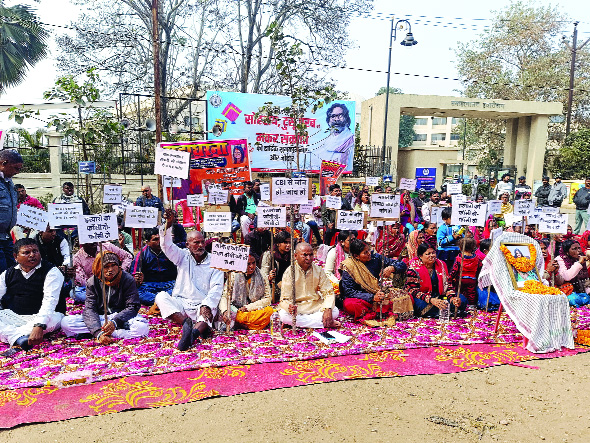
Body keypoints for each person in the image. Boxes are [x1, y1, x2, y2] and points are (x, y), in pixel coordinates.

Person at [154, 210, 224, 351]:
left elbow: (216, 288)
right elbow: (167, 246)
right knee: (160, 297)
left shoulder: (215, 261)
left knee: (211, 309)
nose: (200, 246)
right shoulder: (182, 256)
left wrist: (207, 305)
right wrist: (168, 224)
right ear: (187, 245)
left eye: (202, 242)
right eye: (196, 243)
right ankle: (186, 323)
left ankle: (192, 335)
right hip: (182, 303)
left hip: (201, 304)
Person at [61, 252, 149, 342]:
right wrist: (98, 331)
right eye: (106, 266)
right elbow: (90, 309)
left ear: (119, 266)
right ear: (99, 267)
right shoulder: (92, 282)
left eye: (113, 265)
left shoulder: (127, 279)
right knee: (66, 322)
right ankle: (104, 333)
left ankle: (98, 333)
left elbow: (133, 306)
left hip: (121, 317)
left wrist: (115, 321)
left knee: (142, 328)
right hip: (100, 318)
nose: (110, 270)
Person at [0, 238, 64, 356]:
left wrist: (39, 325)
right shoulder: (8, 273)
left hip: (47, 317)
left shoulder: (52, 272)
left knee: (57, 319)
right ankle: (19, 337)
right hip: (16, 317)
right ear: (15, 256)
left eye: (35, 251)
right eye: (26, 252)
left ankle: (14, 336)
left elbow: (49, 301)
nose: (32, 255)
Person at [340, 238, 408, 322]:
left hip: (378, 294)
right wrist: (372, 297)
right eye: (365, 253)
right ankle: (378, 312)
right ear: (356, 256)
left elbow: (402, 264)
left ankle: (379, 311)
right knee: (350, 305)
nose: (369, 254)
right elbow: (349, 291)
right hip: (361, 298)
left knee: (406, 297)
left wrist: (393, 267)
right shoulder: (349, 266)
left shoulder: (376, 258)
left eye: (369, 250)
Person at [278, 242, 339, 329]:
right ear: (296, 256)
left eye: (311, 255)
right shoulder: (289, 272)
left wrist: (328, 309)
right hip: (298, 308)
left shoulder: (318, 270)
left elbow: (328, 292)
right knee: (283, 315)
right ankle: (323, 324)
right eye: (305, 255)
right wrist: (289, 307)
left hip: (315, 305)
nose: (308, 258)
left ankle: (298, 324)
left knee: (335, 311)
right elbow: (284, 299)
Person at [406, 243, 467, 317]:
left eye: (433, 253)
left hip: (440, 296)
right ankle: (446, 311)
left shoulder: (441, 265)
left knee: (462, 300)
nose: (432, 256)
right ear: (420, 256)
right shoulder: (413, 269)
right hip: (424, 298)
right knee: (420, 305)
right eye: (428, 254)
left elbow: (448, 285)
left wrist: (452, 298)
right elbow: (413, 290)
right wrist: (431, 300)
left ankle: (443, 310)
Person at [218, 253, 273, 331]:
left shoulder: (262, 275)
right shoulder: (233, 275)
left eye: (253, 263)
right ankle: (248, 324)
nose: (252, 266)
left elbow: (268, 298)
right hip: (237, 310)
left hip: (254, 309)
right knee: (229, 312)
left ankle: (241, 324)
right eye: (248, 264)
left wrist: (248, 308)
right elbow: (225, 296)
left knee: (269, 311)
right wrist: (225, 312)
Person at [130, 228, 177, 305]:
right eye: (155, 239)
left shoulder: (171, 250)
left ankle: (158, 302)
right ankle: (163, 302)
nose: (159, 242)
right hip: (150, 286)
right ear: (147, 242)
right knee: (137, 293)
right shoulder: (141, 255)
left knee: (182, 289)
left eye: (161, 239)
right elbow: (133, 275)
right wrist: (136, 279)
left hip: (170, 284)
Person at [0, 149, 23, 274]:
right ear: (4, 163)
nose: (17, 172)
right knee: (2, 271)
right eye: (15, 168)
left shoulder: (8, 181)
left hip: (6, 236)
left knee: (12, 271)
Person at [450, 237, 482, 306]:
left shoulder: (459, 258)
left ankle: (462, 304)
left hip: (460, 278)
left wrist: (451, 277)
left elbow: (454, 269)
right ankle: (471, 305)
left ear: (460, 247)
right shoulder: (476, 258)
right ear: (473, 247)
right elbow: (479, 267)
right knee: (471, 293)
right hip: (472, 279)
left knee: (460, 292)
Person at [261, 230, 291, 295]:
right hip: (272, 286)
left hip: (286, 283)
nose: (288, 245)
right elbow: (263, 275)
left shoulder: (291, 254)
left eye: (289, 242)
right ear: (278, 244)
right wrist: (269, 277)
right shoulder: (269, 255)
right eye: (285, 242)